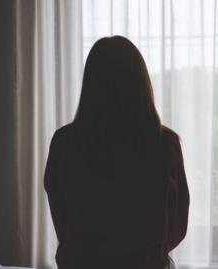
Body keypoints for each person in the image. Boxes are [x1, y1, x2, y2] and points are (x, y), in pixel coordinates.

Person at [44, 36, 190, 269]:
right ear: (141, 84)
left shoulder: (64, 144)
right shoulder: (165, 145)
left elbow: (61, 217)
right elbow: (178, 226)